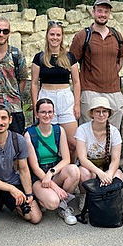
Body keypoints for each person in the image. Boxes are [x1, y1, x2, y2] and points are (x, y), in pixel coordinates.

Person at [0, 105, 42, 233]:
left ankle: (5, 202)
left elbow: (24, 169)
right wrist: (11, 189)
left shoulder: (18, 140)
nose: (0, 122)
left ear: (10, 120)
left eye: (3, 118)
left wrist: (28, 194)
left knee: (34, 217)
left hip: (13, 182)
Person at [70, 0, 123, 129]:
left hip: (113, 90)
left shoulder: (117, 36)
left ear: (109, 14)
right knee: (89, 131)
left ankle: (111, 151)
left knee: (113, 131)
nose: (103, 14)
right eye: (99, 11)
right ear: (93, 12)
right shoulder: (83, 36)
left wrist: (109, 73)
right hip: (90, 90)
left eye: (106, 11)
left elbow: (120, 60)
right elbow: (71, 62)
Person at [31, 20, 81, 161]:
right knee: (50, 141)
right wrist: (36, 105)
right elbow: (34, 83)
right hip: (46, 96)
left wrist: (77, 103)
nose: (55, 37)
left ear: (62, 37)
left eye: (58, 34)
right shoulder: (39, 57)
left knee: (73, 143)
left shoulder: (69, 57)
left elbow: (76, 82)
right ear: (47, 36)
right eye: (52, 34)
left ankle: (72, 171)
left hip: (65, 98)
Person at [25, 99, 80, 225]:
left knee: (74, 171)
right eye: (43, 112)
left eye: (50, 112)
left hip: (53, 171)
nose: (47, 115)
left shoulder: (59, 130)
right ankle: (45, 199)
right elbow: (34, 167)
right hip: (38, 176)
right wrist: (55, 187)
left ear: (54, 113)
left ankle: (64, 207)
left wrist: (51, 173)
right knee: (52, 202)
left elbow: (66, 159)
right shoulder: (30, 134)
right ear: (37, 114)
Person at [75, 97, 123, 210]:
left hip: (106, 164)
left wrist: (109, 175)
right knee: (84, 174)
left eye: (104, 111)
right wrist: (99, 173)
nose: (101, 114)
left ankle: (108, 199)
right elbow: (82, 159)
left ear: (109, 113)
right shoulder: (82, 130)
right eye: (98, 111)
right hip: (88, 165)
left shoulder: (114, 131)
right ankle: (85, 195)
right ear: (92, 113)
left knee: (118, 176)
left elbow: (116, 159)